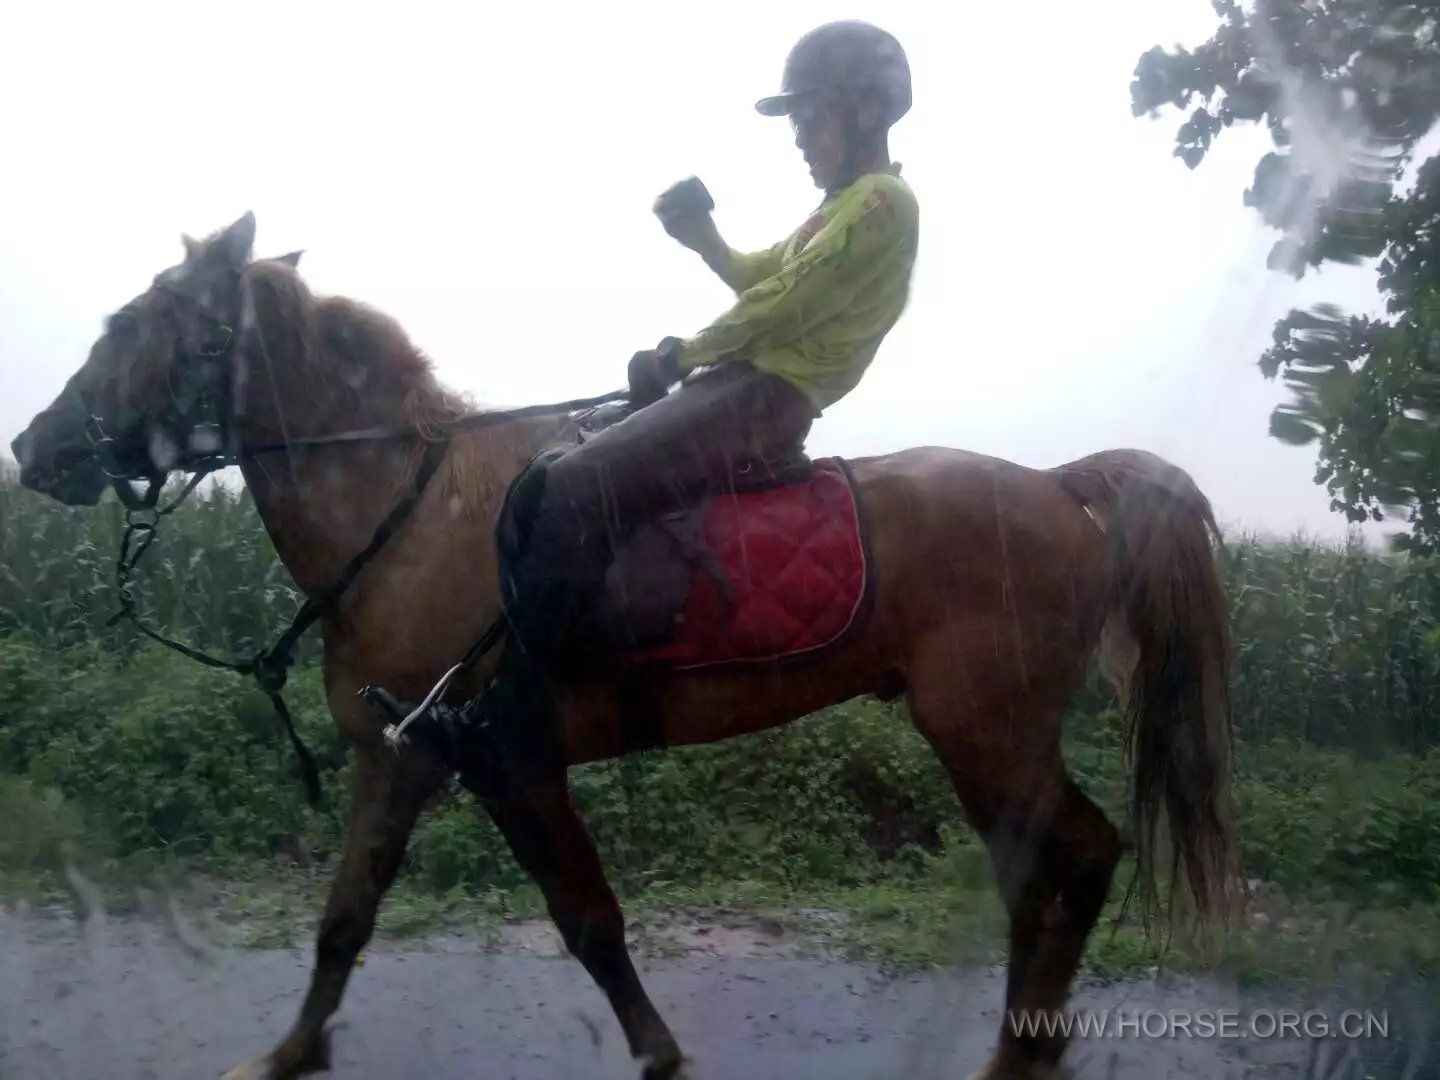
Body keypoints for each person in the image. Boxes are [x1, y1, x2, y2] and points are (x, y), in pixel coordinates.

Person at [411, 20, 920, 783]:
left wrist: (688, 350)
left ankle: (518, 720)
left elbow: (788, 298)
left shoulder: (882, 203)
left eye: (811, 117)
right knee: (555, 458)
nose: (801, 138)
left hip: (763, 396)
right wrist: (702, 236)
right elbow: (765, 275)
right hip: (739, 384)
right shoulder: (840, 208)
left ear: (866, 111)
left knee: (571, 489)